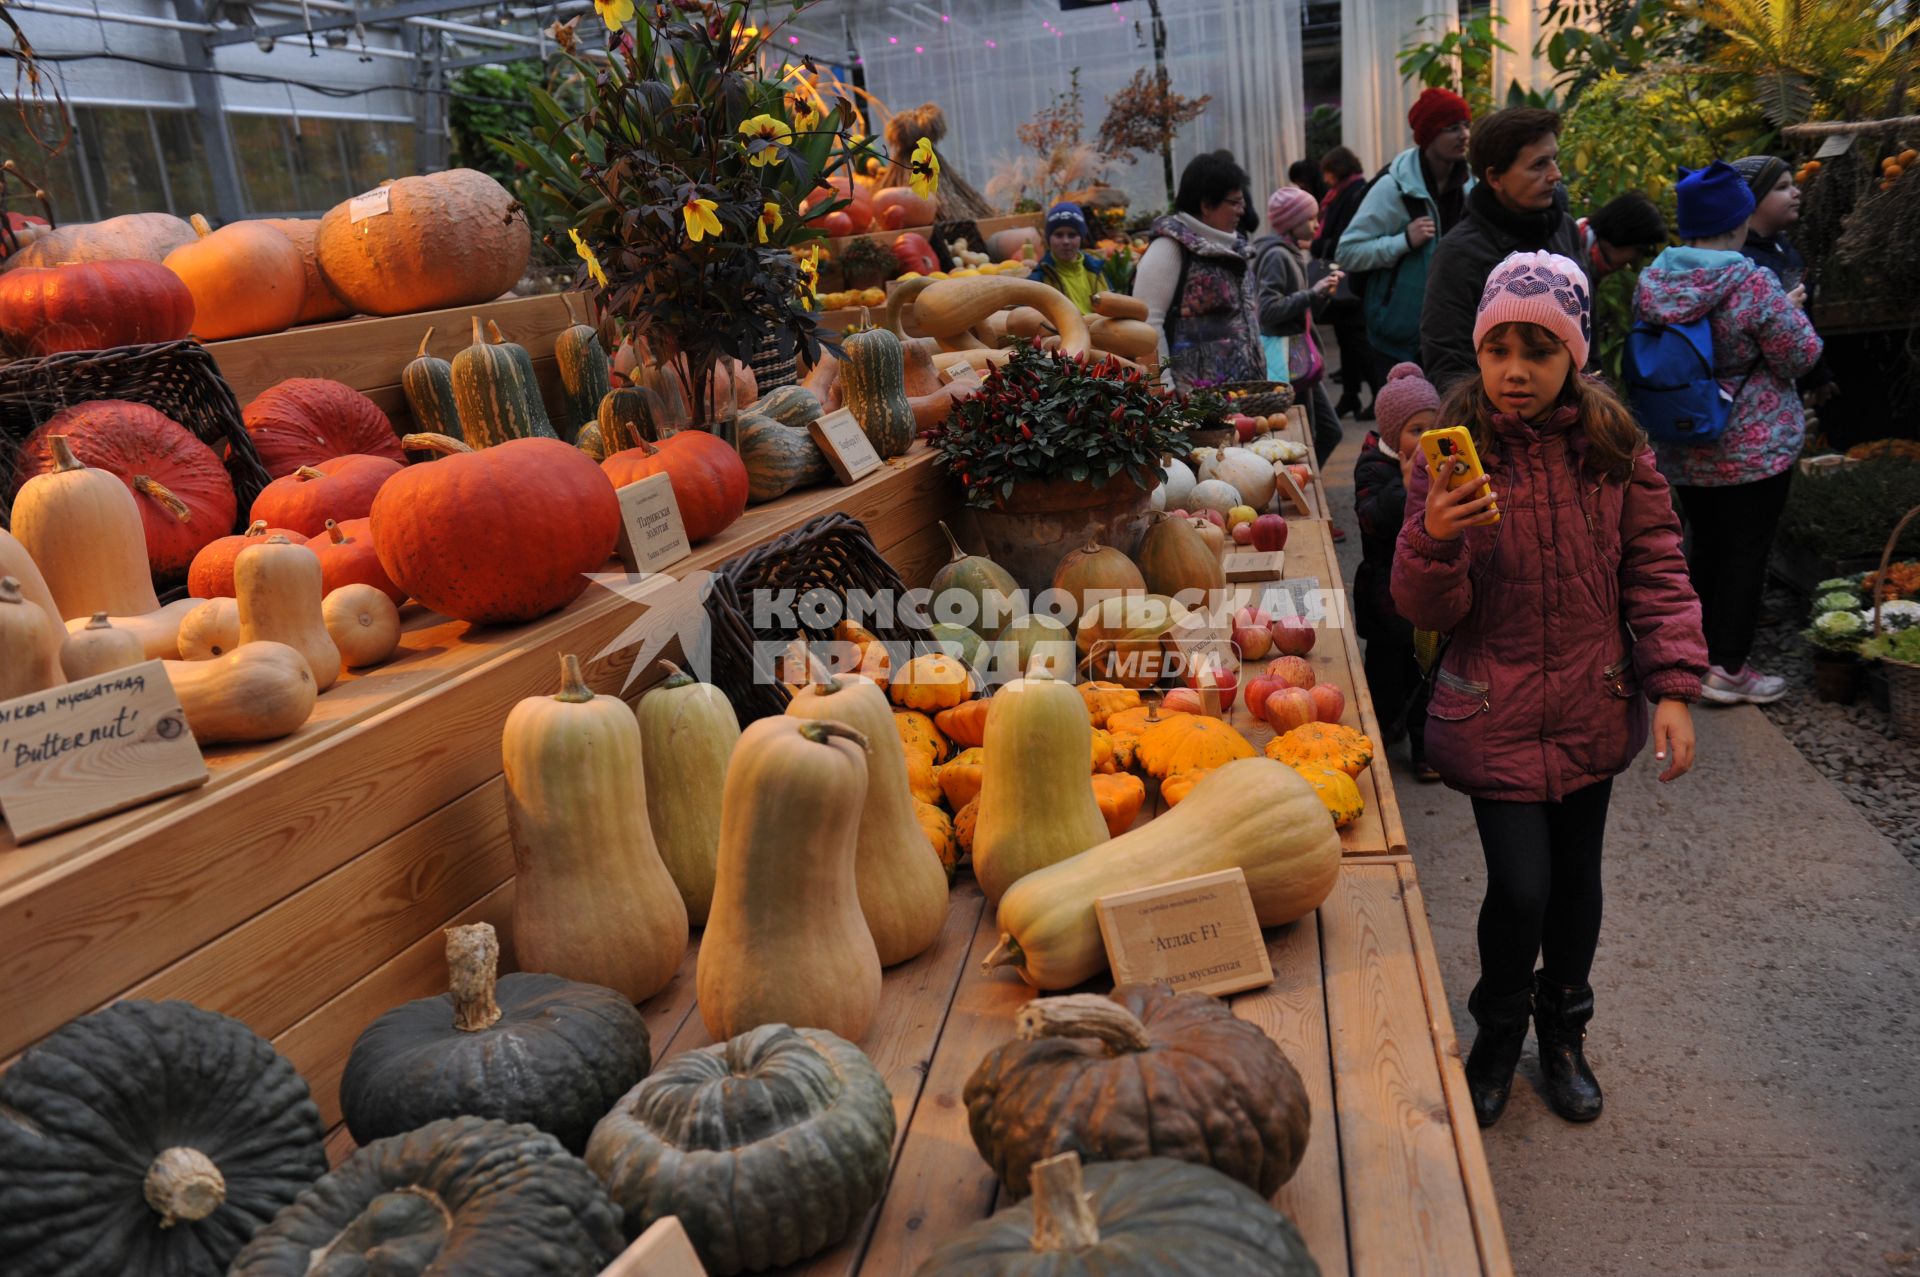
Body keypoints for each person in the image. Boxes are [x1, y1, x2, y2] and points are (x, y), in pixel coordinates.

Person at [1394, 250, 1707, 1128]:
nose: (1515, 371)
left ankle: (1562, 1032)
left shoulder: (1613, 449)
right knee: (1521, 886)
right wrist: (1436, 538)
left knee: (1576, 885)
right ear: (1479, 352)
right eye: (1499, 349)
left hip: (1590, 701)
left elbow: (1656, 567)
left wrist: (1673, 684)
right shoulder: (1448, 457)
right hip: (1490, 711)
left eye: (1539, 349)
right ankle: (1497, 1029)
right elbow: (1425, 606)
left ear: (1575, 352)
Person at [1632, 161, 1823, 705]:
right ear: (1738, 218)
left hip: (1684, 441)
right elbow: (1801, 355)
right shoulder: (1749, 280)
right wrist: (1786, 313)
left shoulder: (1656, 281)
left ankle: (1690, 659)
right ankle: (1728, 669)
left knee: (1704, 549)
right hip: (1752, 446)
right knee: (1746, 553)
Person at [1420, 107, 1582, 392]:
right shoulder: (1459, 253)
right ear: (1494, 178)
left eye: (1554, 160)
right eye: (1539, 165)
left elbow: (1584, 331)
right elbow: (1448, 363)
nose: (1555, 175)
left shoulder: (1564, 229)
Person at [1335, 87, 1473, 381]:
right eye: (1452, 128)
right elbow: (1347, 252)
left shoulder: (1469, 185)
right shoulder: (1395, 187)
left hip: (1456, 334)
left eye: (1465, 125)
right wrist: (1403, 241)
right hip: (1398, 340)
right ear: (1428, 135)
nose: (1464, 134)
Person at [1352, 362, 1440, 778]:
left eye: (1433, 428)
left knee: (1429, 671)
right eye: (1415, 430)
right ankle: (1383, 727)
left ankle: (1426, 750)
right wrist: (1402, 488)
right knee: (1387, 671)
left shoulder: (1442, 466)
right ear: (1391, 435)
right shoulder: (1374, 467)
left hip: (1427, 589)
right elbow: (1371, 520)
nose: (1426, 440)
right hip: (1385, 593)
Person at [1134, 151, 1265, 389]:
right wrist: (1164, 390)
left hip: (1242, 398)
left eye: (1242, 201)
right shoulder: (1170, 248)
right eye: (1234, 202)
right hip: (1195, 406)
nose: (1242, 211)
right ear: (1206, 205)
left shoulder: (1234, 248)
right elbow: (1147, 323)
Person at [1733, 153, 1837, 407]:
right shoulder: (1739, 263)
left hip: (1790, 391)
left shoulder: (1783, 248)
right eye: (1782, 187)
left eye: (1792, 184)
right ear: (1751, 200)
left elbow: (1804, 319)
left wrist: (1817, 377)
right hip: (1755, 401)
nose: (1796, 192)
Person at [1255, 186, 1344, 464]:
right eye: (1310, 218)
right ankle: (1300, 486)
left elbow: (1300, 309)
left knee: (1323, 432)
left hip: (1299, 358)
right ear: (1291, 222)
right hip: (1288, 360)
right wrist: (1312, 293)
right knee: (1308, 436)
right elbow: (1267, 311)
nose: (1316, 224)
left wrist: (1322, 295)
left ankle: (1303, 482)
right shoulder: (1276, 256)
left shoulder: (1291, 253)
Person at [1314, 144, 1382, 419]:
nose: (1325, 178)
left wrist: (1319, 245)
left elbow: (1347, 238)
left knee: (1357, 341)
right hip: (1346, 277)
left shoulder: (1354, 193)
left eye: (1327, 172)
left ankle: (1378, 395)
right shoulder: (1345, 192)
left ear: (1336, 170)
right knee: (1347, 340)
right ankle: (1351, 396)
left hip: (1351, 278)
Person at [1028, 201, 1109, 314]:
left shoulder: (1097, 270)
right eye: (1059, 235)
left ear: (1081, 237)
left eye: (1072, 235)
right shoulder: (1037, 280)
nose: (1066, 241)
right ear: (1048, 238)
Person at [1580, 192, 1668, 281]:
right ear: (1622, 234)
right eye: (1639, 250)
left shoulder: (1587, 260)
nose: (1636, 260)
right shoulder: (1569, 253)